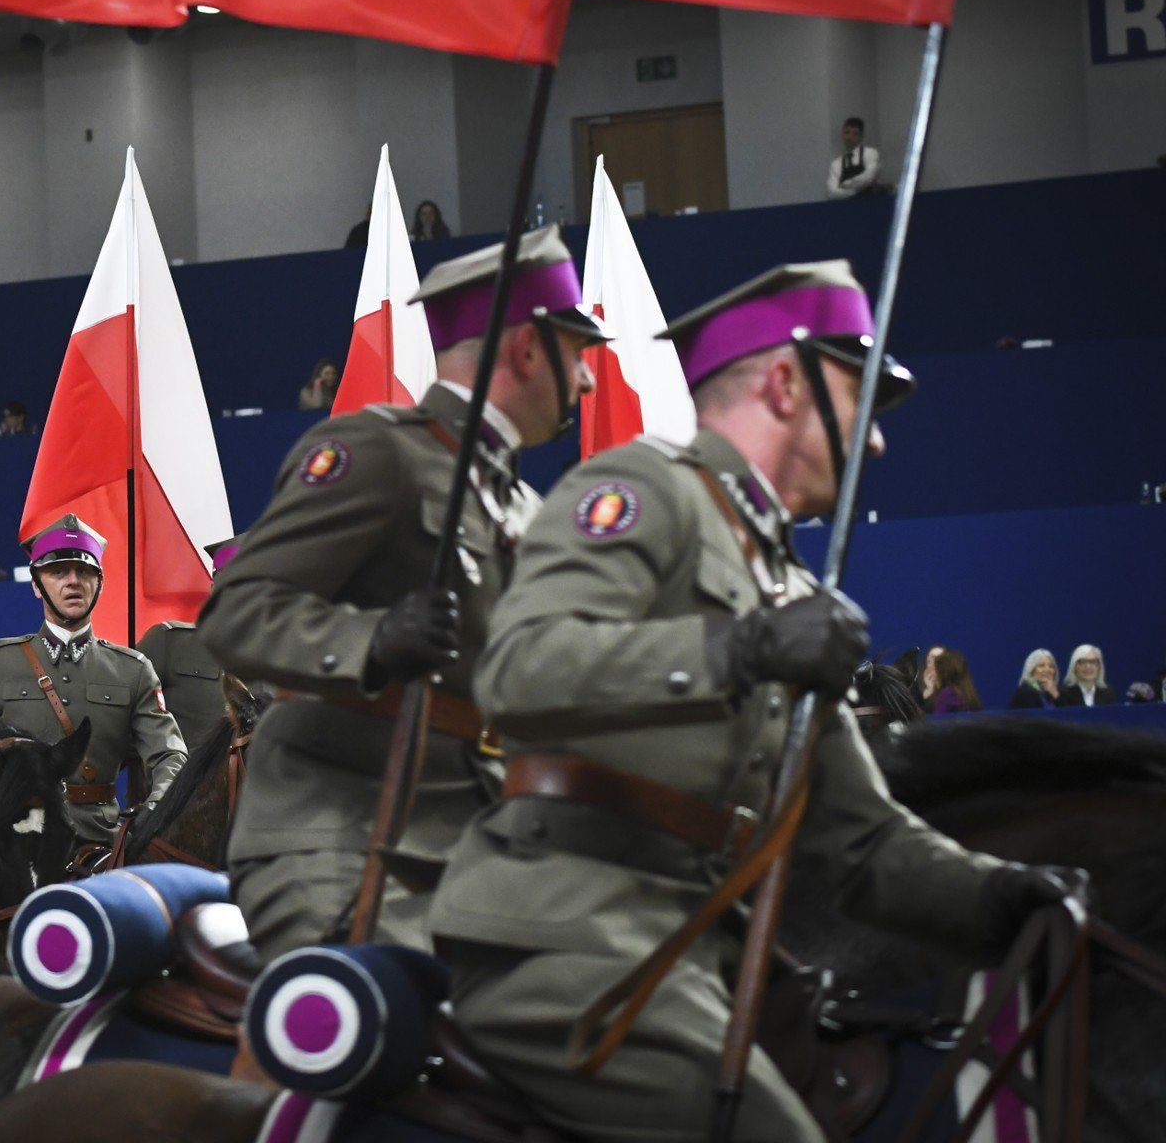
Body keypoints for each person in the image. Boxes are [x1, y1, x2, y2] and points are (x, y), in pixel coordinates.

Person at [428, 260, 1084, 1143]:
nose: (878, 445)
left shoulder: (778, 580)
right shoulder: (642, 491)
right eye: (861, 404)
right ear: (784, 382)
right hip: (564, 945)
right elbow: (520, 672)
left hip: (692, 955)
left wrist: (1005, 896)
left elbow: (861, 840)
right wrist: (742, 647)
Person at [200, 225, 611, 958]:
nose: (588, 379)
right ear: (524, 349)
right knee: (384, 1028)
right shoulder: (378, 453)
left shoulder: (520, 507)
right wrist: (371, 642)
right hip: (340, 841)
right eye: (579, 355)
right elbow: (237, 610)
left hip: (471, 842)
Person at [0, 514, 186, 851]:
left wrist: (155, 809)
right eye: (58, 571)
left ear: (100, 583)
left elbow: (169, 755)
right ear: (37, 585)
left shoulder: (133, 669)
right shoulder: (0, 661)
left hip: (98, 844)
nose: (73, 581)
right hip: (16, 844)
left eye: (84, 571)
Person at [133, 536, 245, 752]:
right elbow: (120, 728)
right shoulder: (169, 643)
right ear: (213, 588)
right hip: (182, 783)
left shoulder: (289, 662)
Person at [826, 117, 882, 199]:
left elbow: (869, 177)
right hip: (847, 207)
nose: (849, 136)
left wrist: (845, 184)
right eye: (847, 132)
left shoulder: (870, 153)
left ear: (861, 136)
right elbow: (832, 192)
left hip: (871, 204)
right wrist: (855, 191)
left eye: (855, 133)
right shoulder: (836, 163)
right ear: (842, 134)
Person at [929, 647, 983, 713]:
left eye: (936, 670)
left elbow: (936, 722)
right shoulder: (970, 694)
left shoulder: (946, 695)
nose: (934, 675)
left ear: (944, 672)